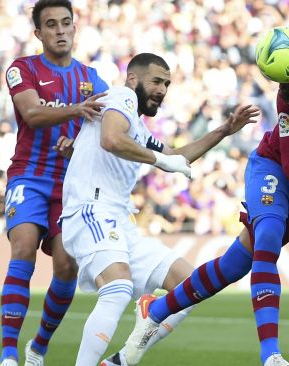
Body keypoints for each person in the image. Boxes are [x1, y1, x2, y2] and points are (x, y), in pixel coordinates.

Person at [119, 58, 289, 366]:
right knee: (268, 240)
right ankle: (270, 355)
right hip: (275, 169)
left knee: (234, 266)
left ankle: (156, 310)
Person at [58, 52, 260, 366]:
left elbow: (177, 155)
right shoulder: (122, 96)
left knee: (190, 285)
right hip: (91, 209)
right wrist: (162, 161)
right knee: (117, 288)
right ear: (132, 79)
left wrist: (223, 131)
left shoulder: (138, 130)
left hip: (120, 221)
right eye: (156, 81)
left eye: (166, 83)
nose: (163, 89)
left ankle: (121, 360)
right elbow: (111, 139)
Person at [0, 1, 108, 365]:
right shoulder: (22, 69)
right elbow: (31, 113)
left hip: (71, 185)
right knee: (24, 247)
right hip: (29, 176)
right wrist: (78, 109)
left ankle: (38, 348)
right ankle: (8, 354)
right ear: (38, 33)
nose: (60, 30)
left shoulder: (93, 79)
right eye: (51, 24)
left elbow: (115, 125)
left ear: (75, 28)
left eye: (66, 23)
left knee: (66, 266)